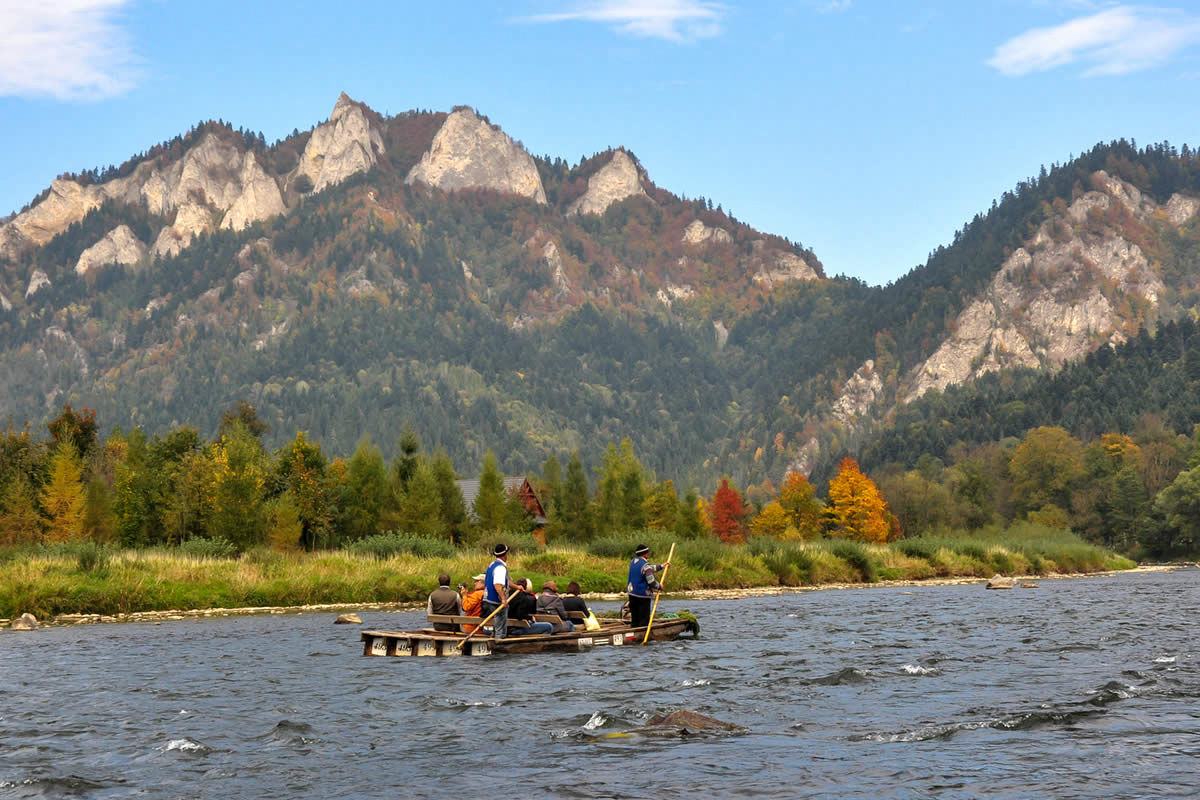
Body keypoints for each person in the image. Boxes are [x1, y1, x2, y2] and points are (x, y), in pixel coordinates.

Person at [481, 543, 523, 639]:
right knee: (501, 624)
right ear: (504, 555)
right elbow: (497, 584)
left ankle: (494, 635)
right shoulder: (500, 568)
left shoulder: (492, 565)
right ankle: (498, 642)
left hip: (487, 599)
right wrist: (504, 599)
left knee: (498, 621)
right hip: (495, 601)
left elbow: (505, 582)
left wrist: (517, 587)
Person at [627, 543, 669, 629]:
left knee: (635, 618)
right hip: (642, 595)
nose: (648, 553)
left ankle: (634, 631)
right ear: (645, 554)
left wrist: (661, 566)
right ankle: (642, 635)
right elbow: (651, 581)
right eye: (647, 552)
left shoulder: (633, 561)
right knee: (643, 619)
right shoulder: (645, 565)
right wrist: (659, 586)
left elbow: (649, 568)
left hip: (632, 594)